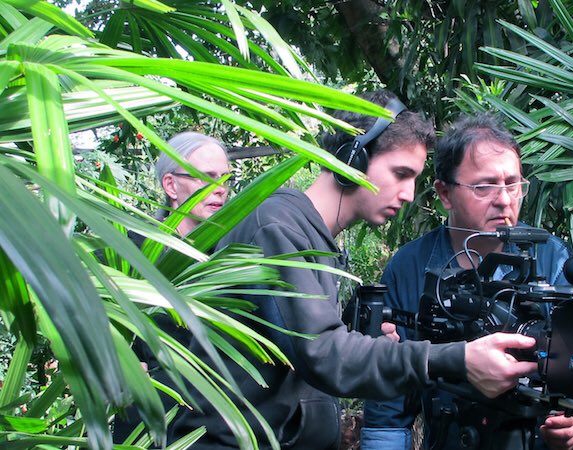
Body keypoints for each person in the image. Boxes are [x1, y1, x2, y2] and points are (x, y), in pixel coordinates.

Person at [169, 91, 541, 449]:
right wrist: (454, 358)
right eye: (400, 173)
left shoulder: (314, 237)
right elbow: (323, 355)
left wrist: (360, 338)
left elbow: (297, 351)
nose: (410, 194)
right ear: (352, 160)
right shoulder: (277, 228)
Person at [361, 114, 573, 450]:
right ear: (445, 193)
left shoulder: (551, 258)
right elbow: (387, 408)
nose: (505, 200)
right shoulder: (409, 267)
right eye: (484, 186)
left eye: (512, 184)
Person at [112, 131, 230, 443]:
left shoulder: (234, 252)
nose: (220, 189)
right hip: (147, 422)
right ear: (170, 185)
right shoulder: (131, 247)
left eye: (225, 178)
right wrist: (115, 356)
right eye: (206, 178)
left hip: (216, 426)